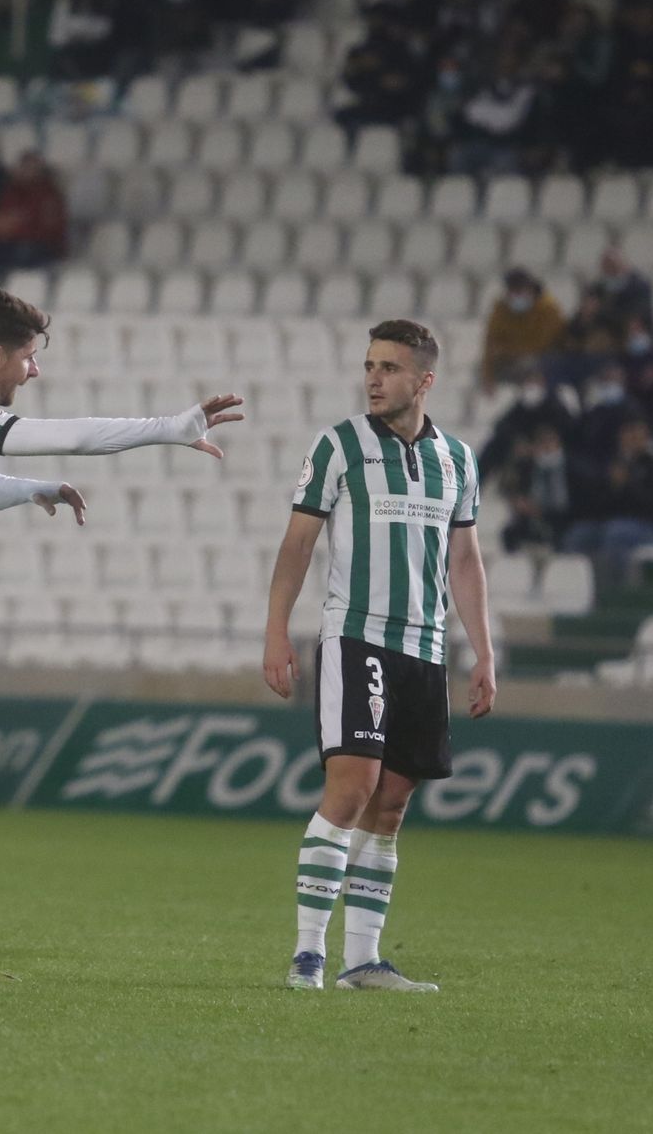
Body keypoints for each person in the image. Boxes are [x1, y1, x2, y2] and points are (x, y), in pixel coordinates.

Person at [0, 288, 243, 982]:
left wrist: (32, 489)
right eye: (28, 357)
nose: (33, 371)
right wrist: (170, 426)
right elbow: (69, 433)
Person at [264, 319, 495, 993]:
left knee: (391, 806)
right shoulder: (339, 446)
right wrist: (276, 631)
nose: (373, 378)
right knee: (353, 788)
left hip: (424, 648)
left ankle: (361, 960)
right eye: (369, 365)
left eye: (389, 367)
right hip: (357, 636)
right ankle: (308, 954)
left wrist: (484, 652)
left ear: (424, 380)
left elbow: (465, 559)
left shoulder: (457, 458)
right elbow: (298, 544)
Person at [560, 417, 653, 593]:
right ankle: (578, 588)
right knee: (578, 536)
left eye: (637, 435)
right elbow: (598, 504)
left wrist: (627, 485)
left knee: (616, 534)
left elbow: (652, 504)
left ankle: (617, 590)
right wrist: (612, 487)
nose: (631, 439)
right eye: (628, 434)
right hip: (611, 524)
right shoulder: (612, 464)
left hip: (648, 526)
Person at [498, 422, 572, 595]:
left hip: (561, 522)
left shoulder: (572, 468)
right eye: (542, 442)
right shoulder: (526, 467)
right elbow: (508, 487)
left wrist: (543, 510)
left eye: (550, 442)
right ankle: (515, 579)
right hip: (530, 521)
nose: (547, 447)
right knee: (510, 531)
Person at [0, 151, 68, 271]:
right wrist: (4, 226)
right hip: (10, 242)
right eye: (24, 167)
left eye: (31, 168)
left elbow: (50, 230)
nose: (27, 171)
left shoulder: (49, 195)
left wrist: (19, 226)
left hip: (41, 245)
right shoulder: (11, 192)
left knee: (23, 254)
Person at [479, 268, 565, 394]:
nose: (516, 296)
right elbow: (491, 342)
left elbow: (545, 343)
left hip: (543, 360)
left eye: (519, 291)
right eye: (512, 291)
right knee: (481, 373)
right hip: (513, 361)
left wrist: (507, 349)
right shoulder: (500, 308)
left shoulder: (548, 308)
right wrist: (487, 376)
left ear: (530, 289)